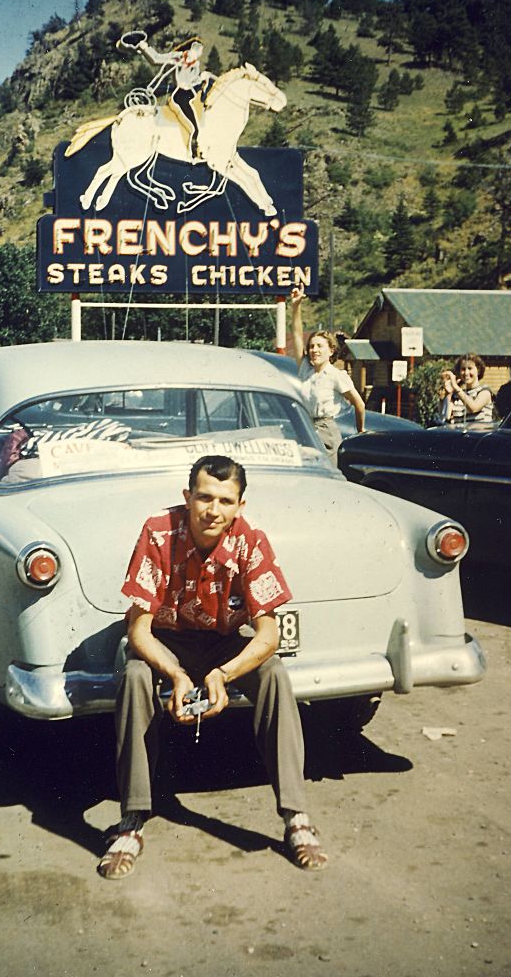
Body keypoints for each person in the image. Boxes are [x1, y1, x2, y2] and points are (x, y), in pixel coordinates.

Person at [98, 454, 328, 880]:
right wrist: (177, 675)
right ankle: (132, 818)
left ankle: (296, 815)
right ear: (187, 497)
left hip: (221, 643)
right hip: (165, 642)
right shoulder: (159, 533)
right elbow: (139, 631)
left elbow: (268, 635)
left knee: (275, 673)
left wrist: (224, 674)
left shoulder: (250, 540)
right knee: (132, 677)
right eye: (204, 497)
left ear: (240, 505)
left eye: (225, 501)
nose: (213, 510)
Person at [290, 285, 365, 466]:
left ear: (331, 350)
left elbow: (359, 403)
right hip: (305, 427)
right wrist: (296, 306)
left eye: (319, 346)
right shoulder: (305, 369)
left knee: (328, 474)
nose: (314, 350)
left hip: (325, 430)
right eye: (312, 346)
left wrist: (360, 430)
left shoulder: (335, 375)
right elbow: (297, 335)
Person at [134, 35, 213, 160]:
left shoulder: (195, 65)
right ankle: (192, 150)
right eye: (200, 51)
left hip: (188, 94)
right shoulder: (177, 57)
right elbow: (156, 59)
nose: (201, 54)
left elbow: (192, 82)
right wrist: (144, 47)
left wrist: (201, 78)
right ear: (194, 49)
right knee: (193, 126)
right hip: (179, 95)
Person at [439, 353, 493, 425]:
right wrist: (448, 394)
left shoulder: (485, 391)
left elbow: (473, 408)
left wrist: (456, 387)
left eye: (470, 368)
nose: (466, 373)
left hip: (479, 435)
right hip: (460, 435)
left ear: (479, 370)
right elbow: (445, 418)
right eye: (463, 369)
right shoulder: (457, 395)